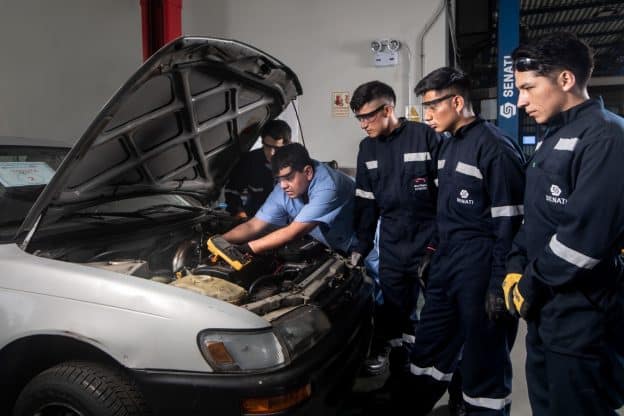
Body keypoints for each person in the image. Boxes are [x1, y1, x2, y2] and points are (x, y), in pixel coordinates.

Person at [503, 32, 624, 415]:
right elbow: (536, 216)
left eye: (528, 88)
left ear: (566, 80)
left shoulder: (607, 137)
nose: (521, 101)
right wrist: (514, 265)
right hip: (546, 313)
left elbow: (583, 241)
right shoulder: (552, 137)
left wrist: (531, 282)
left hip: (583, 317)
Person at [405, 67, 525, 415]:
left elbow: (510, 224)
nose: (425, 115)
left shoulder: (495, 148)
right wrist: (432, 252)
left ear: (457, 101)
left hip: (482, 263)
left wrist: (498, 283)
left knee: (483, 356)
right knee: (430, 342)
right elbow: (446, 211)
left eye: (432, 106)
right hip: (447, 263)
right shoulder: (448, 146)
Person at [350, 81, 439, 382]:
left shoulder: (425, 137)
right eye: (358, 119)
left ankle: (446, 376)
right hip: (391, 242)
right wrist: (360, 247)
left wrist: (436, 245)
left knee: (441, 311)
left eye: (368, 117)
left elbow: (447, 199)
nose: (363, 125)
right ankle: (403, 367)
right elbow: (365, 203)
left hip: (429, 240)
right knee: (395, 308)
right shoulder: (367, 149)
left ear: (387, 109)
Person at [222, 143, 356, 254]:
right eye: (279, 179)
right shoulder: (284, 188)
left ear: (308, 172)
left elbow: (293, 231)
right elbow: (253, 225)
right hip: (332, 246)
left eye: (288, 178)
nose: (283, 185)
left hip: (362, 246)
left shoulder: (328, 187)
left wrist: (246, 250)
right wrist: (221, 241)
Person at [224, 119, 291, 218]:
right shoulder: (249, 161)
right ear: (262, 142)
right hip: (256, 213)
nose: (272, 153)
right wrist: (239, 212)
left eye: (277, 148)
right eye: (268, 146)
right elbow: (232, 191)